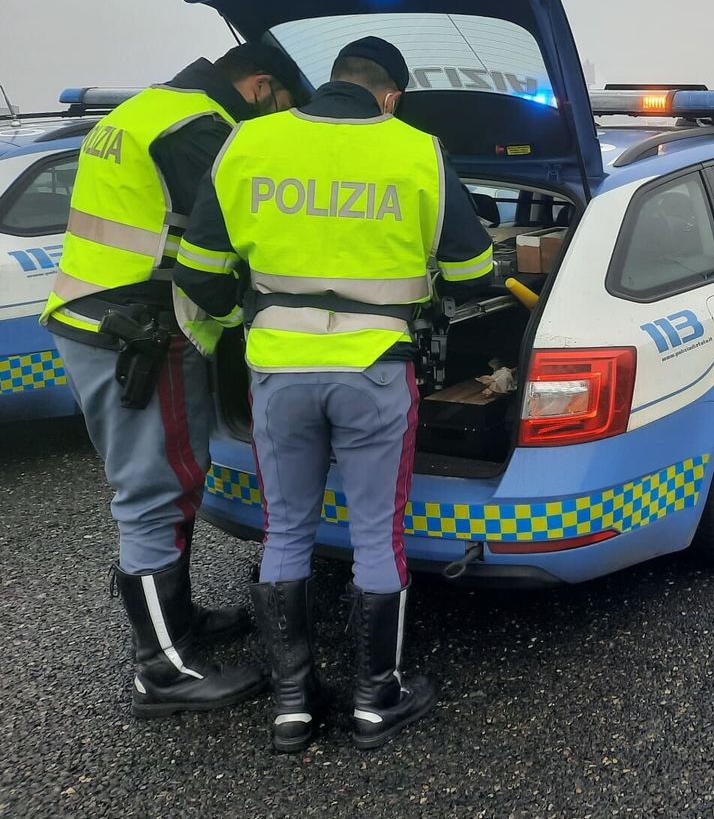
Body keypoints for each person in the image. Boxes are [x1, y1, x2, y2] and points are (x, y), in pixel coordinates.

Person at [174, 37, 494, 753]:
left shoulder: (248, 145)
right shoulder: (416, 150)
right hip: (375, 369)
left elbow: (197, 272)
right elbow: (474, 271)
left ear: (330, 83)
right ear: (390, 96)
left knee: (287, 528)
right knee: (376, 533)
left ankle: (292, 704)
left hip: (278, 372)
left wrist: (250, 318)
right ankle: (375, 700)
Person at [40, 43, 304, 718]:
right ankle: (162, 671)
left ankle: (178, 624)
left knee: (168, 480)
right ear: (262, 85)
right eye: (281, 110)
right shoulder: (199, 129)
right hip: (141, 332)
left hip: (96, 315)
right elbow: (238, 236)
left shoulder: (147, 108)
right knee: (155, 489)